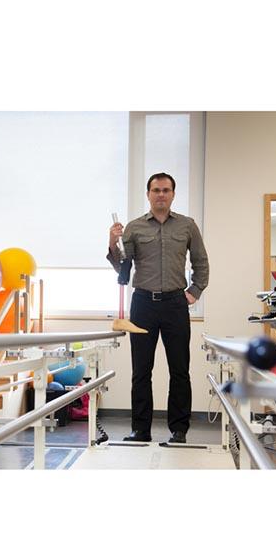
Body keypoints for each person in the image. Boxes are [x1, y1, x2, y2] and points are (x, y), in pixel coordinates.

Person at [107, 172, 209, 443]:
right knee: (141, 370)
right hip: (143, 304)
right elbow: (122, 269)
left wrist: (194, 292)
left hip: (175, 304)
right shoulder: (134, 227)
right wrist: (112, 242)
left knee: (180, 370)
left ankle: (179, 430)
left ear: (173, 194)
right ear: (148, 194)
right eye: (156, 190)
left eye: (166, 190)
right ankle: (140, 430)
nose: (161, 194)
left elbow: (201, 262)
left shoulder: (187, 226)